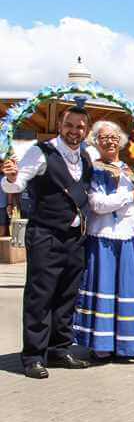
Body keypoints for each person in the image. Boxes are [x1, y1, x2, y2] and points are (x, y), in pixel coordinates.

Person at [2, 106, 94, 378]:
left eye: (80, 127)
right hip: (46, 234)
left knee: (67, 294)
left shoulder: (86, 158)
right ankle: (33, 356)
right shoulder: (40, 152)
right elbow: (17, 184)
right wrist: (9, 177)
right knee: (40, 295)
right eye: (70, 125)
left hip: (75, 238)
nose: (74, 131)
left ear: (86, 130)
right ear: (60, 125)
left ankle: (60, 348)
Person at [73, 120, 134, 359]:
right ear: (95, 142)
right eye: (104, 138)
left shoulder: (130, 169)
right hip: (105, 238)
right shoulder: (93, 169)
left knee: (129, 290)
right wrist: (131, 194)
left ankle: (129, 344)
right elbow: (98, 204)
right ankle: (102, 346)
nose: (110, 141)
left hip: (130, 237)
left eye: (114, 137)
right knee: (106, 289)